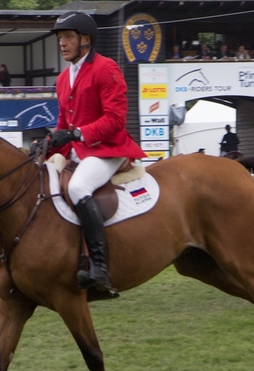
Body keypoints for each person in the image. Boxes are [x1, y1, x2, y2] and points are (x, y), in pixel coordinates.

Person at [49, 11, 147, 293]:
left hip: (108, 150)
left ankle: (100, 268)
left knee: (79, 187)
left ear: (86, 39)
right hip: (79, 152)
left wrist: (78, 133)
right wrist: (48, 143)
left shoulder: (106, 68)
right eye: (60, 38)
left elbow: (115, 120)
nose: (62, 43)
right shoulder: (63, 78)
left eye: (68, 37)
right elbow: (63, 124)